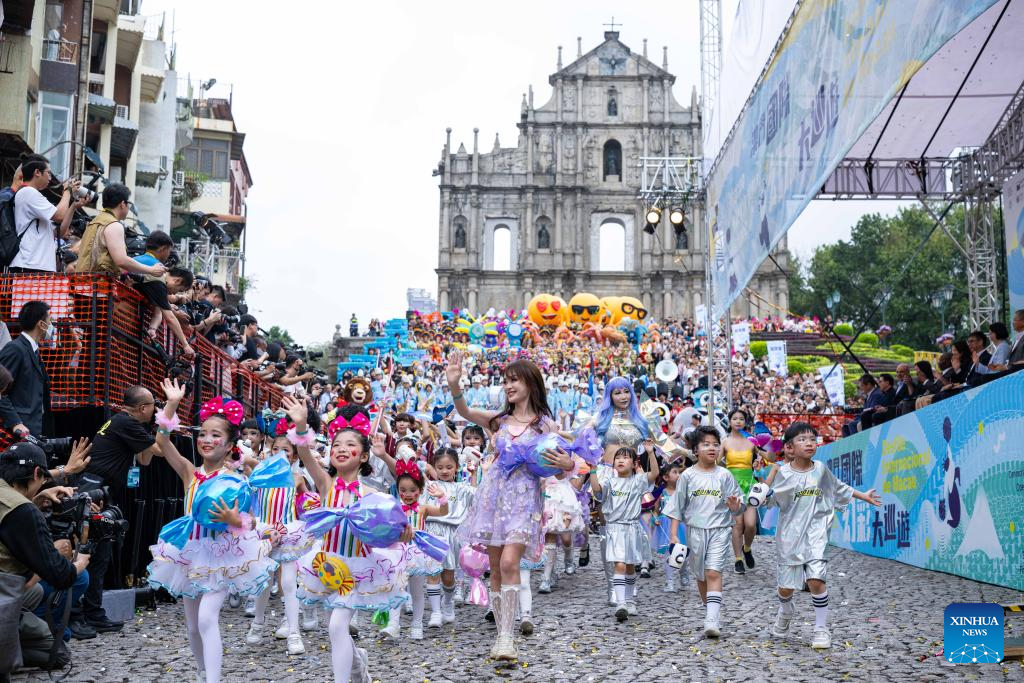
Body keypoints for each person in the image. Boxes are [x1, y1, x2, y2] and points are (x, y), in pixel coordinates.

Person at [147, 381, 278, 683]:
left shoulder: (236, 480)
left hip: (221, 556)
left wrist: (234, 520)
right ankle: (202, 672)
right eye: (203, 434)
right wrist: (172, 404)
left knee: (207, 619)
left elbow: (251, 522)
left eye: (216, 435)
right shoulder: (189, 472)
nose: (207, 440)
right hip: (189, 554)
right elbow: (162, 440)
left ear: (230, 445)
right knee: (193, 626)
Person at [446, 351, 573, 661]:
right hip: (494, 499)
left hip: (525, 502)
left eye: (514, 380)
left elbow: (561, 468)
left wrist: (567, 464)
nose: (508, 386)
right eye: (505, 381)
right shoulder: (499, 421)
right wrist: (454, 384)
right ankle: (502, 635)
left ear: (531, 383)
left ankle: (507, 636)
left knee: (508, 562)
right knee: (496, 568)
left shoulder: (545, 425)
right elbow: (464, 410)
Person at [288, 396, 408, 683]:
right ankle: (358, 664)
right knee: (336, 627)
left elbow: (392, 528)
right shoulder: (325, 484)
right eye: (336, 445)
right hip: (326, 566)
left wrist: (404, 531)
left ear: (364, 456)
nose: (341, 449)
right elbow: (304, 453)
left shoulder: (372, 495)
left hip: (357, 569)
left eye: (349, 445)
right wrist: (302, 425)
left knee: (336, 626)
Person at [765, 422, 881, 649]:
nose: (809, 443)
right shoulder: (783, 474)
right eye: (802, 439)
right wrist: (760, 494)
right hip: (789, 536)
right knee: (786, 587)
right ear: (789, 447)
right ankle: (786, 610)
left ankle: (821, 629)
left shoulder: (820, 469)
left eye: (812, 439)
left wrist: (863, 496)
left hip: (816, 534)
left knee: (816, 580)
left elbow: (838, 487)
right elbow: (770, 500)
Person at [74, 385, 163, 634]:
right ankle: (76, 616)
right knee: (88, 552)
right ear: (142, 408)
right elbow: (159, 450)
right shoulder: (126, 422)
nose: (155, 410)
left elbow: (145, 458)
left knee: (101, 553)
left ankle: (93, 613)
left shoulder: (124, 422)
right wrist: (166, 424)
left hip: (101, 489)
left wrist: (154, 428)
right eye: (153, 406)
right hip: (93, 490)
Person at [0, 442, 90, 663]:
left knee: (36, 592)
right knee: (58, 654)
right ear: (36, 473)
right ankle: (9, 646)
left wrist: (35, 500)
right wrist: (79, 561)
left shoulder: (12, 501)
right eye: (43, 480)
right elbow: (61, 575)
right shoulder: (23, 511)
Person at [666, 426, 743, 638]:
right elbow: (677, 506)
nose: (712, 448)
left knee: (713, 572)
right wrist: (673, 534)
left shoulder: (725, 475)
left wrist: (735, 507)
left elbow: (739, 505)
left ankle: (712, 620)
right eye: (706, 444)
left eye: (716, 445)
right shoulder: (687, 476)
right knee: (701, 575)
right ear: (695, 450)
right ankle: (709, 608)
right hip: (695, 531)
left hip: (720, 530)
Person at [245, 434, 314, 655]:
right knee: (264, 581)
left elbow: (307, 501)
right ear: (269, 452)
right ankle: (258, 622)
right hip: (263, 531)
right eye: (276, 449)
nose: (280, 454)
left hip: (288, 532)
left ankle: (294, 632)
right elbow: (250, 498)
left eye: (286, 450)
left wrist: (309, 508)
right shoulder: (260, 475)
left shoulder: (297, 477)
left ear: (294, 456)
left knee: (289, 581)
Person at [590, 444, 659, 622]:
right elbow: (597, 490)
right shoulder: (610, 482)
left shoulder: (638, 481)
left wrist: (650, 453)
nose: (620, 460)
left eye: (625, 457)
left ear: (634, 464)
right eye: (618, 458)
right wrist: (592, 470)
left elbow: (654, 474)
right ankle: (621, 603)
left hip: (632, 528)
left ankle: (629, 600)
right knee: (619, 564)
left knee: (629, 566)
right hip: (615, 528)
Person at [382, 460, 448, 640]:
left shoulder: (423, 509)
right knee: (396, 587)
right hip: (397, 553)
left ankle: (417, 625)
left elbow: (443, 512)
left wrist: (442, 497)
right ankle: (393, 624)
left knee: (417, 591)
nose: (408, 494)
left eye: (412, 490)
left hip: (417, 554)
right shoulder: (394, 508)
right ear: (397, 490)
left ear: (420, 489)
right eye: (403, 490)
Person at [421, 447, 474, 629]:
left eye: (449, 467)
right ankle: (436, 612)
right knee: (432, 572)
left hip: (453, 533)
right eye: (440, 467)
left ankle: (447, 602)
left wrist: (481, 471)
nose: (444, 471)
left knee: (448, 577)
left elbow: (480, 496)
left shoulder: (463, 488)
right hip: (433, 530)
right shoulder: (428, 487)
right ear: (434, 467)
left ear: (456, 467)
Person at [74, 183, 165, 279]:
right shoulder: (114, 225)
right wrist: (151, 270)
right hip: (99, 284)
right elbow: (121, 260)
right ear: (122, 204)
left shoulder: (94, 222)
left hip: (81, 282)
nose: (128, 207)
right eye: (128, 204)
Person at [9, 154, 77, 273]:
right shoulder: (28, 192)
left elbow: (59, 232)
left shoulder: (32, 195)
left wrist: (74, 206)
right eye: (48, 173)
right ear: (37, 172)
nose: (50, 177)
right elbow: (59, 215)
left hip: (37, 265)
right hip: (29, 265)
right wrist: (67, 191)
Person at [0, 301, 53, 437]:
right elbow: (1, 391)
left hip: (34, 431)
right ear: (41, 324)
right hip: (18, 434)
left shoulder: (34, 351)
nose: (51, 325)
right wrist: (15, 423)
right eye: (50, 320)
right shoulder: (15, 349)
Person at [722, 408, 761, 575]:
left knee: (751, 525)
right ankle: (738, 559)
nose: (738, 421)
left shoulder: (752, 441)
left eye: (741, 419)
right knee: (738, 524)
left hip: (750, 483)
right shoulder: (724, 442)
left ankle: (747, 548)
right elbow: (716, 463)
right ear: (730, 421)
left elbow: (765, 458)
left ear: (745, 422)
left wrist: (758, 463)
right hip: (732, 486)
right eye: (735, 418)